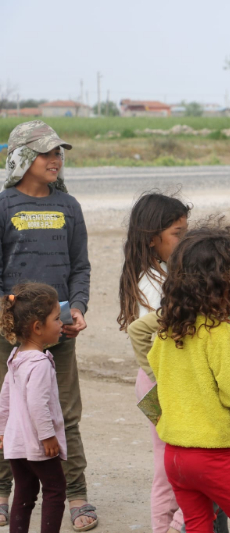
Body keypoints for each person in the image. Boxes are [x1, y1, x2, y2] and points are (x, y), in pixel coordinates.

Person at [0, 121, 96, 530]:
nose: (55, 159)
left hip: (59, 331)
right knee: (9, 414)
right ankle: (3, 493)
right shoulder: (3, 206)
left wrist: (76, 308)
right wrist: (11, 322)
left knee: (65, 413)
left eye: (59, 153)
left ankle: (76, 494)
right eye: (46, 153)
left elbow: (80, 267)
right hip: (10, 334)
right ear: (22, 158)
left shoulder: (68, 207)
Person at [147, 227, 230, 532]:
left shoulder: (167, 330)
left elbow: (157, 369)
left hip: (175, 455)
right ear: (223, 282)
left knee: (199, 523)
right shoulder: (219, 332)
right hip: (211, 456)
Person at [117, 191, 190, 533]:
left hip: (152, 382)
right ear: (151, 239)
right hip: (162, 381)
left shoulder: (154, 275)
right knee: (180, 464)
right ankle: (175, 525)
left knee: (167, 465)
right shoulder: (154, 284)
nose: (185, 239)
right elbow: (153, 341)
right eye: (178, 233)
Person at [0, 283, 67, 533]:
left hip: (16, 442)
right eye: (57, 319)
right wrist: (47, 436)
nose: (62, 324)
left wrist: (3, 431)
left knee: (24, 494)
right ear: (37, 328)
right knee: (55, 491)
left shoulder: (16, 357)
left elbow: (4, 398)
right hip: (38, 442)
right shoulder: (39, 363)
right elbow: (37, 404)